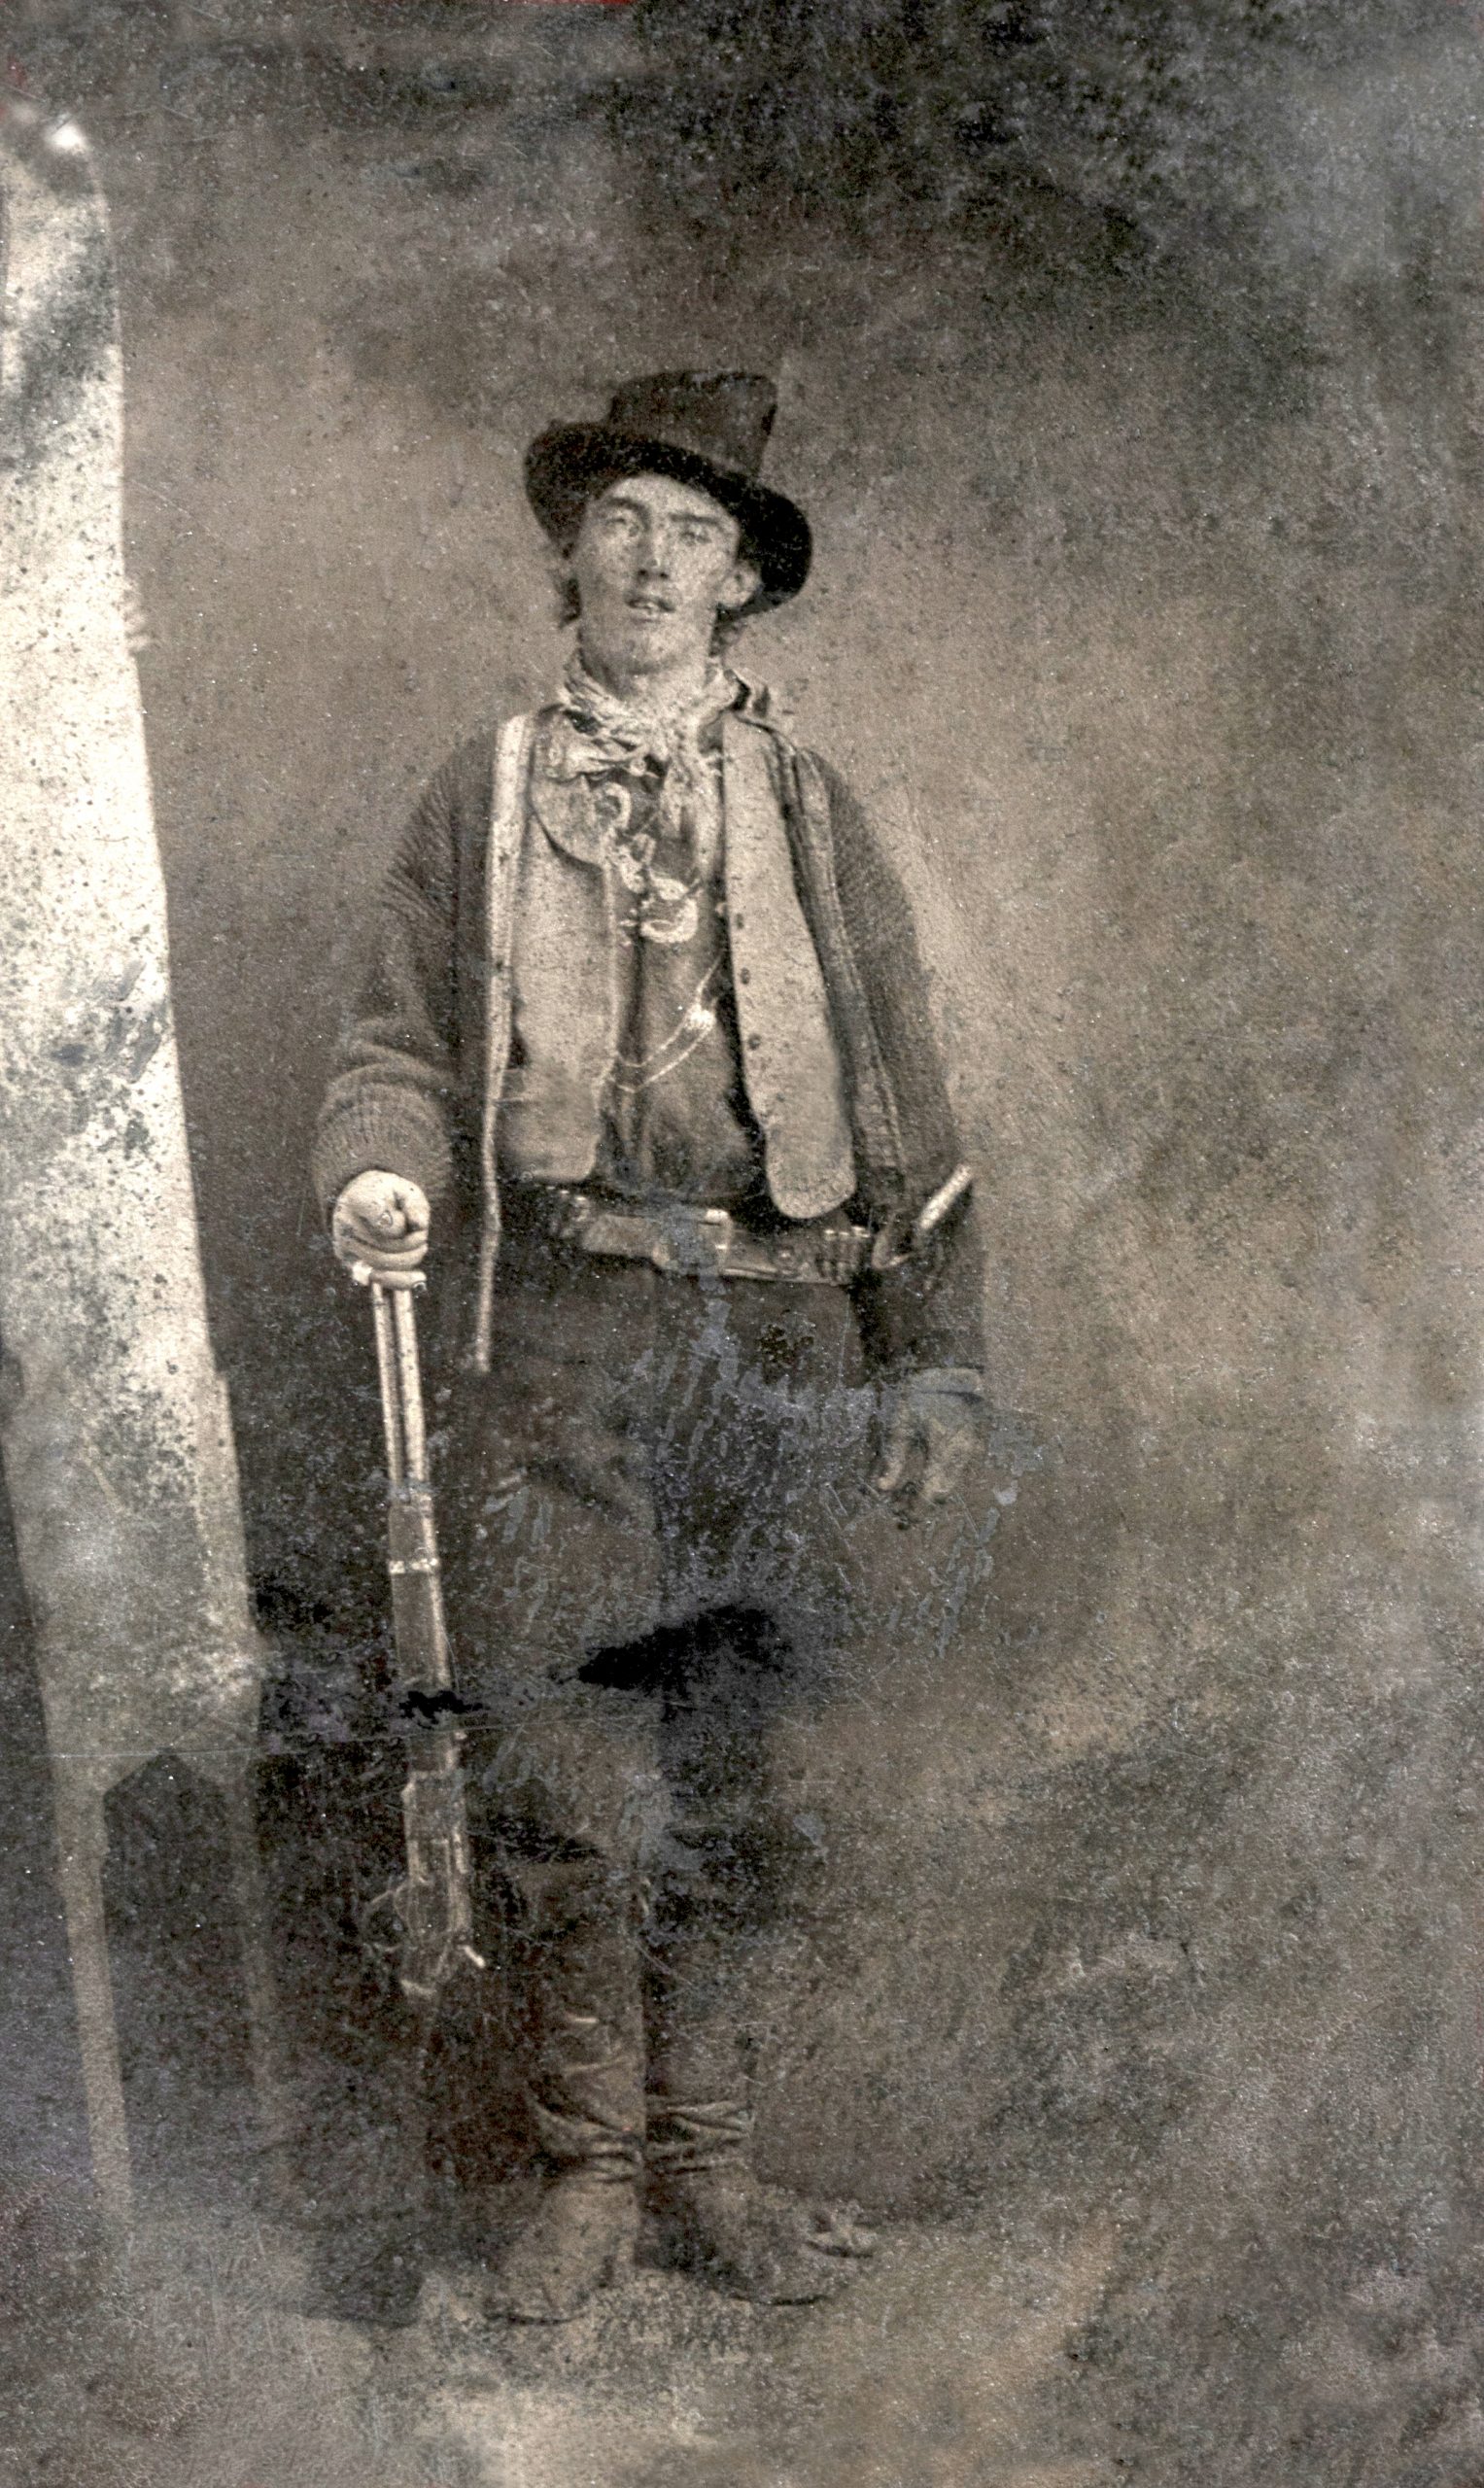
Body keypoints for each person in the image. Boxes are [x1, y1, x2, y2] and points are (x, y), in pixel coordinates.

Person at [313, 371, 988, 2322]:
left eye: (693, 534)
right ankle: (589, 2174)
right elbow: (391, 1039)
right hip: (567, 1334)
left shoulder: (810, 808)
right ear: (571, 552)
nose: (651, 560)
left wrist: (931, 1354)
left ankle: (714, 2170)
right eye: (621, 519)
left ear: (740, 583)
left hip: (781, 1337)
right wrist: (380, 1168)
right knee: (568, 1767)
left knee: (744, 1761)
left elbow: (902, 1095)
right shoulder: (481, 790)